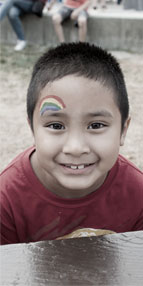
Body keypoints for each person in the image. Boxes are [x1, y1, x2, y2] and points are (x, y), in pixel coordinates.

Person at [0, 42, 143, 245]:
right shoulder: (7, 200)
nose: (75, 148)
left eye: (96, 125)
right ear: (32, 128)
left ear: (123, 130)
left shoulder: (137, 195)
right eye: (56, 126)